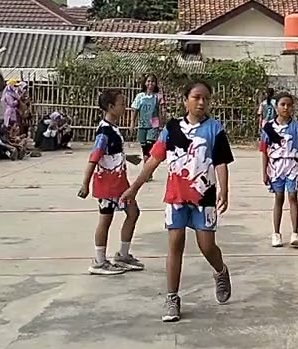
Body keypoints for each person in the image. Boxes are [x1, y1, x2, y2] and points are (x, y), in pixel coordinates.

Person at [121, 81, 233, 323]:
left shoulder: (214, 129)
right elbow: (153, 160)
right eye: (196, 97)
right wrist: (134, 187)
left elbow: (221, 162)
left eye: (206, 98)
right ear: (185, 100)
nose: (201, 102)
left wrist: (224, 189)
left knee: (206, 245)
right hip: (176, 196)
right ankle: (172, 297)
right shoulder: (171, 129)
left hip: (204, 196)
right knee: (175, 244)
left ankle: (220, 271)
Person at [78, 88, 144, 276]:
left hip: (120, 183)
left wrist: (127, 158)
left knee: (133, 212)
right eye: (121, 104)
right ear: (110, 106)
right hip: (107, 184)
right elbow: (94, 158)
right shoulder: (104, 132)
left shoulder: (113, 128)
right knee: (105, 220)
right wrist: (85, 183)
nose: (125, 107)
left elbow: (111, 154)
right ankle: (99, 261)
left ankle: (123, 255)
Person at [259, 92, 298, 249]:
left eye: (289, 105)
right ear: (276, 107)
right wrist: (264, 172)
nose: (286, 108)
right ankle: (276, 233)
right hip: (275, 167)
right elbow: (264, 151)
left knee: (292, 196)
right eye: (282, 104)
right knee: (279, 197)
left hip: (292, 165)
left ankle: (295, 232)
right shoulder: (268, 128)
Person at [131, 74, 163, 158]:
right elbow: (135, 109)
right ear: (145, 83)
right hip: (142, 124)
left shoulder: (158, 96)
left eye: (153, 81)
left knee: (150, 145)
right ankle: (146, 162)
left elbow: (160, 111)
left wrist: (161, 124)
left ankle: (147, 161)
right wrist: (132, 123)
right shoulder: (140, 96)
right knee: (144, 147)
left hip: (153, 124)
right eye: (148, 81)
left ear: (155, 83)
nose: (150, 83)